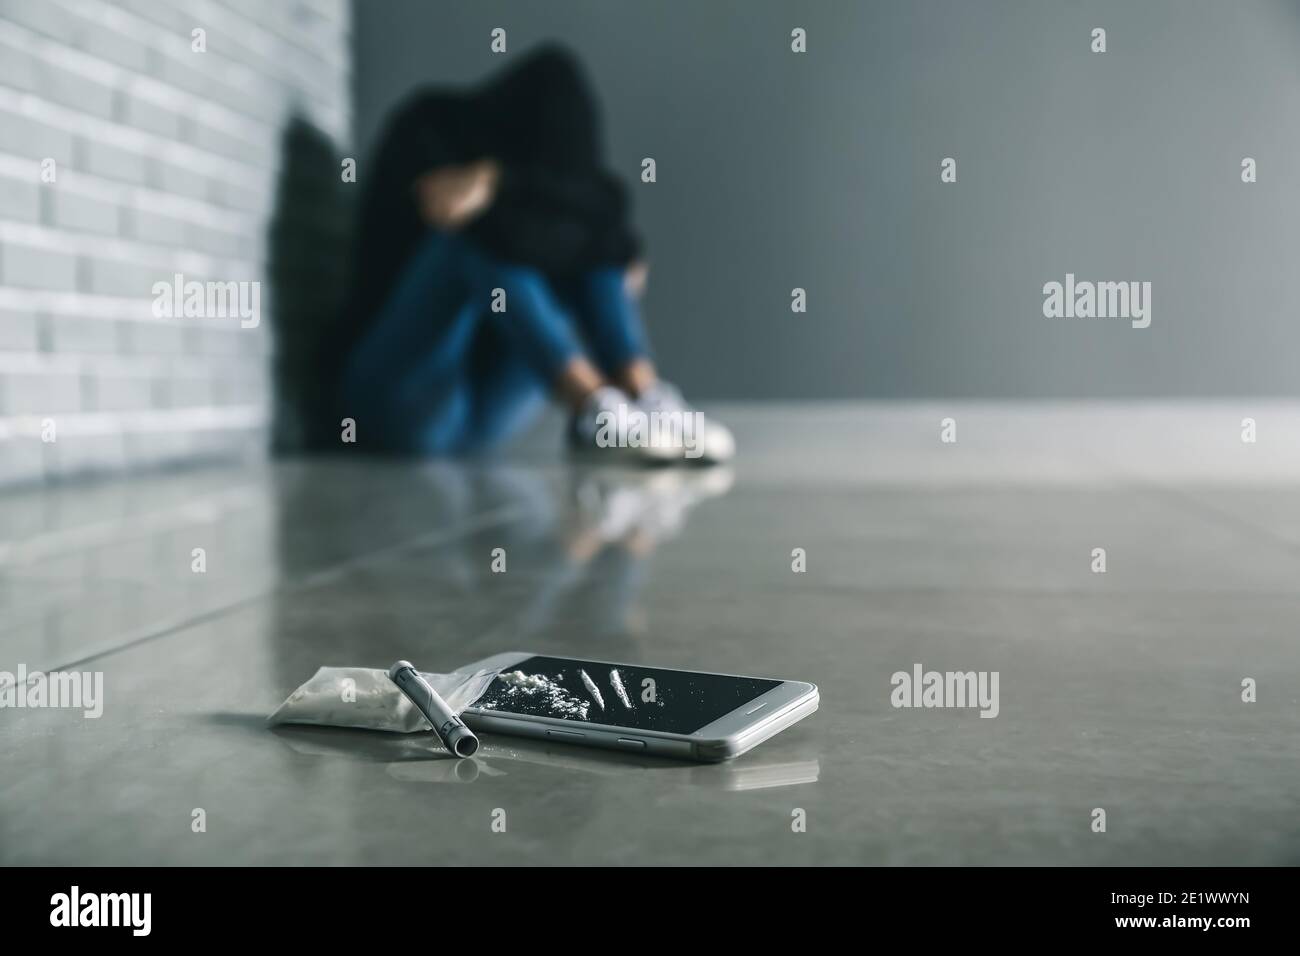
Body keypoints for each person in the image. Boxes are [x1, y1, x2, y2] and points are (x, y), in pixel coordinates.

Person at [334, 44, 733, 463]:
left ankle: (645, 394)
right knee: (476, 238)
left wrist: (501, 182)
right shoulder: (429, 127)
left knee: (597, 247)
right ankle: (593, 408)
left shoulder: (548, 178)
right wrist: (499, 184)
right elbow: (450, 209)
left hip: (481, 421)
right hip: (396, 398)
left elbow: (603, 226)